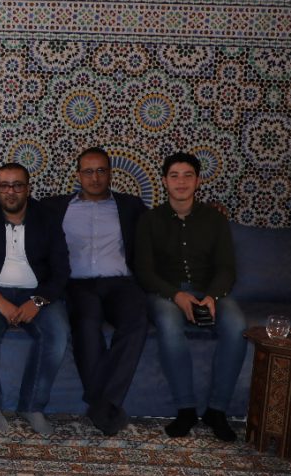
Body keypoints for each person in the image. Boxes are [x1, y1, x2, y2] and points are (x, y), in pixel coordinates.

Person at [135, 152, 246, 442]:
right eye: (174, 176)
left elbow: (227, 267)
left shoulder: (215, 220)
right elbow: (144, 272)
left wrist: (212, 297)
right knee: (169, 324)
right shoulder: (149, 220)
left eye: (188, 176)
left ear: (198, 181)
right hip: (165, 293)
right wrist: (177, 295)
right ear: (164, 181)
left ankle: (217, 410)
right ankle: (186, 408)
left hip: (209, 291)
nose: (181, 182)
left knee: (237, 325)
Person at [42, 148, 148, 436]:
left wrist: (207, 210)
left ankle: (101, 402)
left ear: (110, 173)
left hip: (119, 284)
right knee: (86, 323)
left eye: (101, 170)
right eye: (88, 171)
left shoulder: (131, 206)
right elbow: (14, 209)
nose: (95, 177)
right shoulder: (54, 207)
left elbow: (163, 225)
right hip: (77, 283)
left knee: (137, 320)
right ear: (78, 175)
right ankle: (106, 407)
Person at [0, 163, 71, 434]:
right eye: (4, 186)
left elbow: (61, 269)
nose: (11, 192)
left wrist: (39, 301)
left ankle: (32, 406)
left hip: (35, 292)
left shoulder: (47, 217)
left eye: (17, 185)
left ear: (28, 188)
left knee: (57, 333)